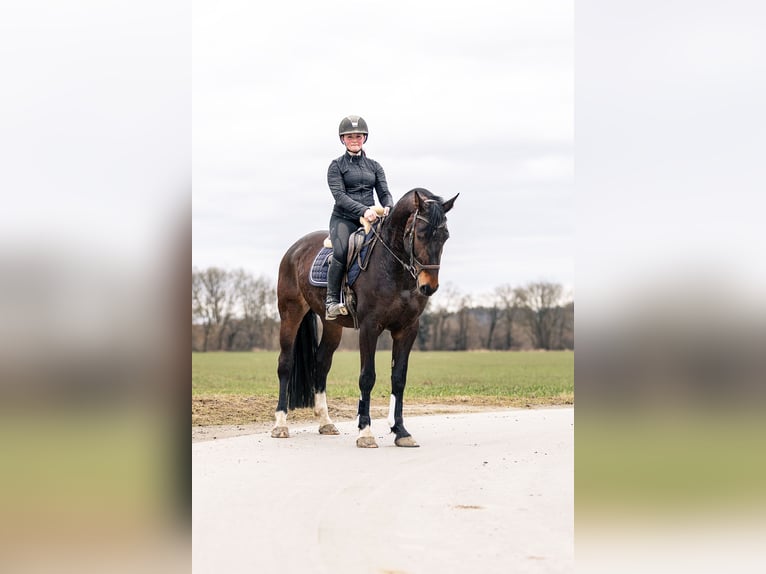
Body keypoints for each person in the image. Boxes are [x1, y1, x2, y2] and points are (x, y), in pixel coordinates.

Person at [325, 115, 394, 320]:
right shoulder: (336, 166)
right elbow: (340, 196)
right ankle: (331, 301)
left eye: (358, 136)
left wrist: (389, 205)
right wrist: (363, 210)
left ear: (364, 138)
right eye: (349, 137)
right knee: (342, 249)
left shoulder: (375, 166)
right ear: (343, 140)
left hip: (372, 219)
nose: (354, 140)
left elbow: (384, 192)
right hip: (344, 219)